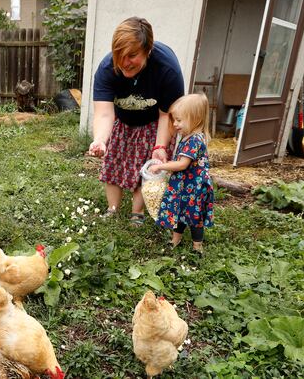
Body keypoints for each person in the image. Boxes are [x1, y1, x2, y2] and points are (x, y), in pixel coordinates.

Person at [87, 17, 184, 225]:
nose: (124, 62)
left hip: (155, 123)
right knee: (114, 162)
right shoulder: (107, 69)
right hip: (123, 121)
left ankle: (137, 213)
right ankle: (112, 209)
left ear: (148, 50)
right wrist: (101, 140)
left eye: (132, 55)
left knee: (147, 165)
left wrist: (160, 146)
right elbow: (104, 113)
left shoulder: (168, 69)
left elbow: (167, 114)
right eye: (119, 55)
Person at [148, 93, 214, 254]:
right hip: (186, 185)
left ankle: (197, 247)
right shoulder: (187, 136)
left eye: (179, 120)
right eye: (174, 120)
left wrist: (162, 167)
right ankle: (175, 239)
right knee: (179, 211)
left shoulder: (195, 140)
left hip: (194, 187)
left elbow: (183, 164)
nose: (175, 124)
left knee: (194, 217)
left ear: (195, 118)